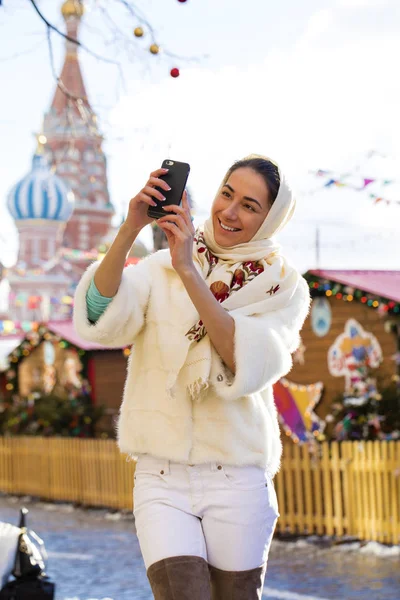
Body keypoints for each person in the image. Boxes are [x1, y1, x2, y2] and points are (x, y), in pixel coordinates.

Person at [73, 154, 311, 599]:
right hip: (161, 476)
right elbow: (99, 316)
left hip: (236, 475)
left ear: (270, 219)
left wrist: (189, 270)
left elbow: (248, 359)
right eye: (226, 194)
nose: (229, 212)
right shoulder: (158, 268)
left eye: (249, 205)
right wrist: (130, 230)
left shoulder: (284, 287)